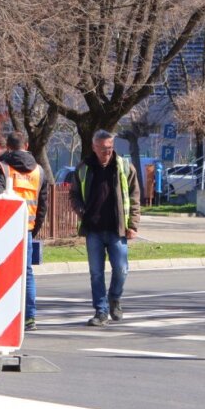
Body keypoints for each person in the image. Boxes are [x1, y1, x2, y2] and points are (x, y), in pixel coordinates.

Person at [70, 129, 141, 326]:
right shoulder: (84, 167)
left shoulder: (124, 167)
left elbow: (134, 197)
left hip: (117, 229)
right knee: (96, 273)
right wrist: (81, 211)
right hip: (93, 229)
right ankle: (100, 311)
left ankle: (115, 298)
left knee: (121, 269)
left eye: (110, 148)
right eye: (103, 149)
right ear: (94, 147)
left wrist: (133, 224)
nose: (107, 153)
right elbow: (74, 194)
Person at [0, 131, 49, 331]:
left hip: (4, 228)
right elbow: (43, 206)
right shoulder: (39, 171)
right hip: (26, 228)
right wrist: (33, 229)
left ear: (8, 147)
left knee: (1, 272)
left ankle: (4, 315)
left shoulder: (2, 167)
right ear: (27, 146)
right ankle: (29, 317)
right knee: (26, 273)